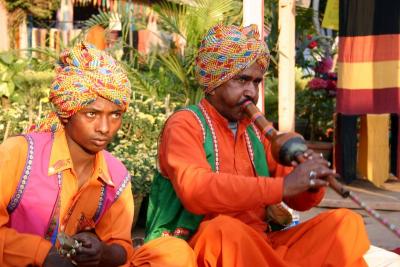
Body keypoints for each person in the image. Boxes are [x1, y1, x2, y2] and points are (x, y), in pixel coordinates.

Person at [145, 24, 371, 266]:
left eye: (256, 82)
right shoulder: (185, 124)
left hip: (261, 246)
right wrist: (282, 187)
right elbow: (196, 191)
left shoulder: (257, 131)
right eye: (242, 80)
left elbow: (300, 203)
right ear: (214, 82)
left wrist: (311, 182)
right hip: (203, 246)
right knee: (223, 231)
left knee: (346, 224)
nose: (251, 92)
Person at [0, 42, 196, 267]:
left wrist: (102, 252)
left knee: (173, 252)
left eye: (115, 115)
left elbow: (121, 246)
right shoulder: (20, 154)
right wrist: (42, 255)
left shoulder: (115, 176)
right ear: (67, 113)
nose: (105, 127)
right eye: (91, 113)